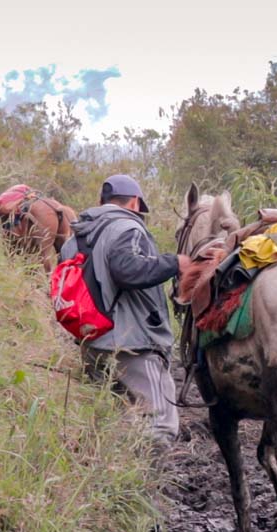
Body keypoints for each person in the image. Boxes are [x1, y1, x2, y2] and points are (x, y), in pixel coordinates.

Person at [60, 174, 189, 442]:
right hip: (132, 346)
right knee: (160, 426)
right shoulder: (126, 228)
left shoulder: (76, 239)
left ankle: (112, 479)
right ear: (134, 203)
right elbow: (128, 271)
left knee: (115, 424)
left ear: (101, 202)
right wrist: (175, 263)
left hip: (92, 343)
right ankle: (147, 483)